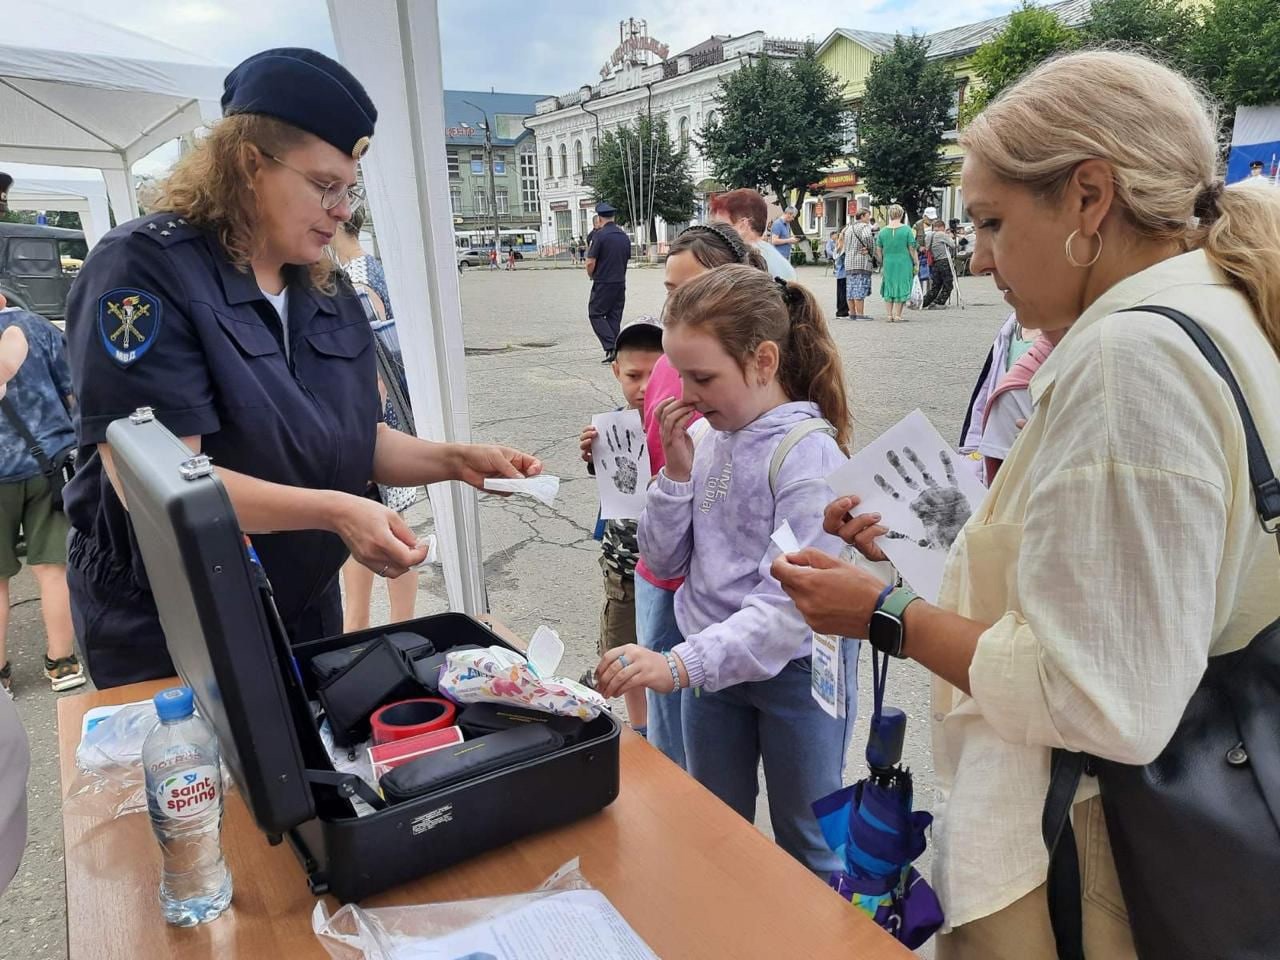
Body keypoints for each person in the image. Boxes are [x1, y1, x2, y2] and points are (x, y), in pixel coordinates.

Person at [772, 49, 1280, 958]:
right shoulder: (1219, 306)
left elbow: (1101, 695)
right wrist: (929, 548)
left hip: (1093, 847)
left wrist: (887, 616)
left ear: (1090, 197)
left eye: (993, 222)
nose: (977, 256)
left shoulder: (1132, 359)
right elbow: (1128, 573)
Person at [62, 47, 541, 689]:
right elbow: (157, 483)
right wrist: (336, 512)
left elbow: (352, 439)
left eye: (349, 190)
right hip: (172, 621)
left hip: (297, 603)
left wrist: (455, 460)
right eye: (323, 186)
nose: (343, 209)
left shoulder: (323, 287)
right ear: (247, 164)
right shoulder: (145, 271)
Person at [596, 264, 858, 877]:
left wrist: (679, 663)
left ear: (763, 361)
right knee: (713, 823)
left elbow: (786, 611)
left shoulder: (807, 456)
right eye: (678, 375)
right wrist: (677, 475)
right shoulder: (711, 438)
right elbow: (663, 561)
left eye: (702, 376)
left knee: (809, 836)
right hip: (713, 671)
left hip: (795, 673)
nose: (683, 395)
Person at [637, 221, 768, 767]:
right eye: (668, 291)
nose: (673, 306)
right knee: (669, 704)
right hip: (662, 559)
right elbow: (649, 434)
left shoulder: (771, 428)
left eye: (685, 292)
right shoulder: (673, 359)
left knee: (689, 689)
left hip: (702, 575)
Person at [329, 212, 421, 631]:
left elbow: (367, 358)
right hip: (381, 415)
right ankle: (368, 622)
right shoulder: (370, 267)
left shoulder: (354, 276)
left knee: (382, 531)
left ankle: (373, 624)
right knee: (374, 529)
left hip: (372, 418)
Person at [578, 316, 665, 735]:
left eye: (657, 374)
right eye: (633, 375)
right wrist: (595, 458)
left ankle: (668, 729)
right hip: (623, 564)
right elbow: (615, 488)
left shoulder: (684, 425)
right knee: (625, 651)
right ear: (616, 372)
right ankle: (642, 727)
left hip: (670, 570)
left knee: (666, 650)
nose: (644, 386)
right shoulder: (612, 426)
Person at [0, 295, 84, 694]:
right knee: (53, 569)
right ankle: (63, 664)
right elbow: (73, 390)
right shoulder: (38, 327)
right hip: (47, 467)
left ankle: (0, 676)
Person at [0, 320, 31, 895]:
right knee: (50, 572)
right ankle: (59, 662)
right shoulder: (29, 330)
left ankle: (5, 665)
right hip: (37, 462)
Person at [708, 189, 796, 280]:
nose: (713, 234)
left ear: (743, 225)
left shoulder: (740, 266)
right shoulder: (784, 266)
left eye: (720, 227)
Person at [585, 202, 631, 363]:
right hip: (620, 282)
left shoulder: (600, 236)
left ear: (599, 217)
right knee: (614, 315)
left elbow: (591, 261)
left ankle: (611, 346)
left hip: (603, 282)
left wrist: (591, 275)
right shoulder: (623, 236)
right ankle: (614, 351)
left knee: (595, 313)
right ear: (613, 217)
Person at [876, 204, 918, 322]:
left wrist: (882, 261)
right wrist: (916, 262)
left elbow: (878, 249)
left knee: (889, 286)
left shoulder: (883, 231)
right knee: (902, 285)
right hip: (903, 262)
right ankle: (898, 315)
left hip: (888, 262)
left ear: (890, 215)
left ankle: (889, 315)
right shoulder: (906, 230)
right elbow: (912, 248)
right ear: (901, 214)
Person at [842, 209, 877, 321]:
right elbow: (868, 238)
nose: (869, 218)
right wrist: (871, 250)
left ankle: (852, 313)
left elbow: (843, 241)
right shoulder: (864, 227)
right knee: (859, 288)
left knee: (850, 289)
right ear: (862, 216)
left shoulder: (849, 228)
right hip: (861, 261)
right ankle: (860, 315)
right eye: (868, 216)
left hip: (849, 262)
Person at [921, 219, 957, 309]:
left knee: (936, 285)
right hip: (944, 261)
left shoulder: (929, 235)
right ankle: (939, 302)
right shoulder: (941, 234)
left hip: (935, 262)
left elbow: (927, 247)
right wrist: (949, 236)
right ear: (942, 227)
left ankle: (924, 302)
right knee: (948, 284)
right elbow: (953, 245)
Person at [832, 229, 849, 318]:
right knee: (843, 293)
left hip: (839, 274)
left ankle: (840, 310)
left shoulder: (838, 246)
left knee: (840, 293)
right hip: (844, 273)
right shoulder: (844, 248)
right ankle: (843, 310)